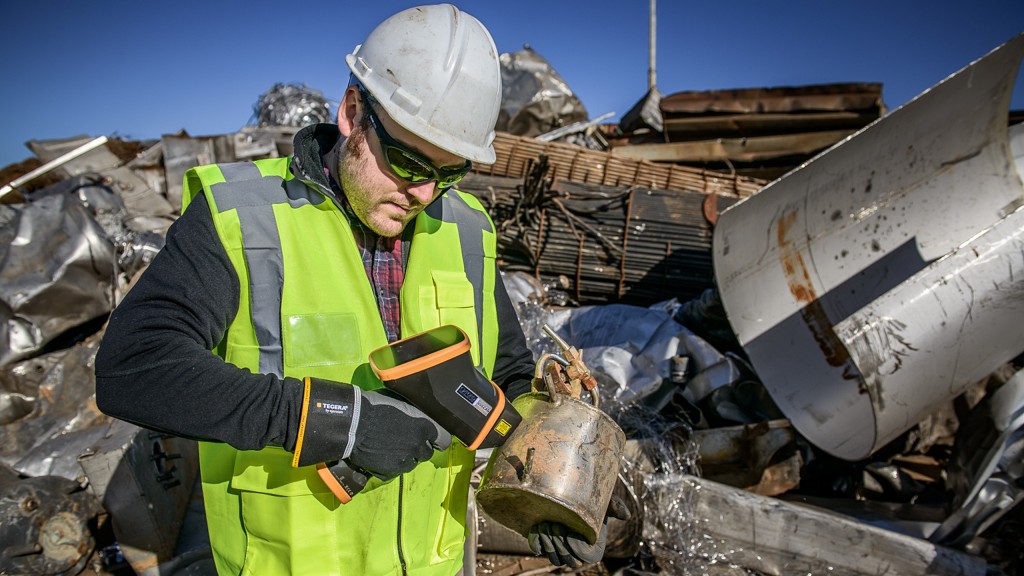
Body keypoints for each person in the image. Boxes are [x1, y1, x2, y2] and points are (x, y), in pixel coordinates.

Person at [95, 4, 618, 575]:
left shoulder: (467, 230)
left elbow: (509, 374)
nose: (423, 192)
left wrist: (543, 484)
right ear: (352, 114)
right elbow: (134, 369)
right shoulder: (242, 221)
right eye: (407, 160)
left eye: (448, 173)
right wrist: (336, 423)